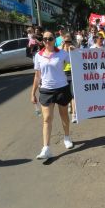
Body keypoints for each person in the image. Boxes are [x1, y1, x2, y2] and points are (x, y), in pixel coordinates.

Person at [31, 31, 74, 159]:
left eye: (50, 39)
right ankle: (46, 148)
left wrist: (73, 49)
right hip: (46, 90)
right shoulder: (38, 56)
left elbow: (75, 60)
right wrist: (32, 93)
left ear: (54, 40)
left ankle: (67, 137)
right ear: (42, 41)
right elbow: (37, 75)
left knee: (64, 115)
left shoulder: (62, 53)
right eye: (45, 39)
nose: (47, 41)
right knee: (47, 118)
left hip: (62, 88)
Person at [59, 33, 77, 123]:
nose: (68, 43)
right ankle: (70, 105)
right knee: (67, 94)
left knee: (73, 94)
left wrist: (75, 50)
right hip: (63, 74)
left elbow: (80, 57)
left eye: (69, 41)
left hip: (73, 73)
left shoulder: (73, 49)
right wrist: (62, 48)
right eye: (66, 41)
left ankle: (74, 115)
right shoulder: (60, 50)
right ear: (63, 41)